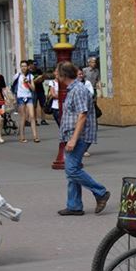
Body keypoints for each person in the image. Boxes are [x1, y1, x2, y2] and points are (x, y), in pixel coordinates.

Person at [56, 61, 110, 216]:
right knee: (74, 168)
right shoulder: (73, 89)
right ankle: (74, 205)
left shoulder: (78, 90)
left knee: (71, 169)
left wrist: (73, 139)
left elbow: (82, 115)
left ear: (63, 75)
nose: (55, 75)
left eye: (56, 72)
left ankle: (100, 192)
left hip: (79, 135)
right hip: (73, 134)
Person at [12, 60, 39, 143]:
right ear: (20, 67)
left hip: (29, 97)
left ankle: (35, 136)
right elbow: (13, 86)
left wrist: (28, 83)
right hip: (20, 97)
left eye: (25, 66)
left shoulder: (30, 76)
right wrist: (13, 98)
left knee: (32, 116)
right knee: (23, 117)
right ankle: (22, 136)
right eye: (22, 66)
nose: (23, 67)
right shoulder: (17, 76)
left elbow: (33, 89)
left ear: (28, 67)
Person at [29, 61, 49, 126]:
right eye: (33, 65)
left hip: (41, 90)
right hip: (34, 91)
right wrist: (37, 79)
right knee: (34, 106)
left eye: (36, 65)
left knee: (43, 105)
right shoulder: (29, 73)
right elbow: (31, 82)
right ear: (31, 65)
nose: (35, 66)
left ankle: (43, 120)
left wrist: (40, 79)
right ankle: (35, 120)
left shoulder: (39, 71)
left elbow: (42, 79)